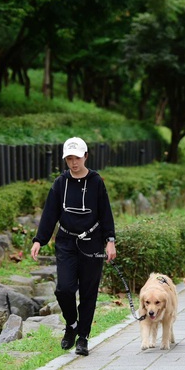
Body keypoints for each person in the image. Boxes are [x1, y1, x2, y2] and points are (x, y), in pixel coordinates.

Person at [30, 137, 117, 356]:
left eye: (77, 158)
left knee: (88, 292)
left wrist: (110, 241)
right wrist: (39, 239)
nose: (73, 163)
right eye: (69, 158)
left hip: (92, 241)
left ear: (85, 156)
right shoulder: (61, 183)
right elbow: (50, 213)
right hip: (67, 242)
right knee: (64, 289)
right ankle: (71, 324)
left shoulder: (96, 181)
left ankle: (83, 337)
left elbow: (105, 212)